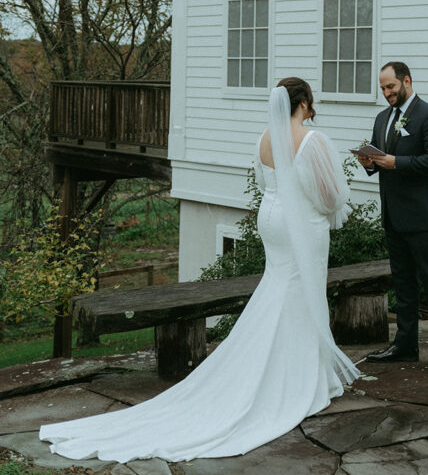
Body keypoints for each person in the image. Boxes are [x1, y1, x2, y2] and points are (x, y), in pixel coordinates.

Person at [39, 78, 358, 462]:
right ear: (304, 102)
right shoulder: (312, 140)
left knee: (279, 289)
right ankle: (297, 378)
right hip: (300, 226)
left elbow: (263, 182)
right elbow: (331, 195)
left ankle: (282, 367)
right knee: (301, 292)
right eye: (311, 102)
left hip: (271, 221)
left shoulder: (265, 138)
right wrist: (329, 208)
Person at [359, 61, 428, 375]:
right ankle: (405, 345)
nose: (387, 93)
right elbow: (380, 162)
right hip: (394, 215)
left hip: (423, 215)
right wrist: (368, 162)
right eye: (383, 88)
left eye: (391, 87)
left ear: (407, 81)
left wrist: (395, 162)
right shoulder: (382, 118)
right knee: (402, 284)